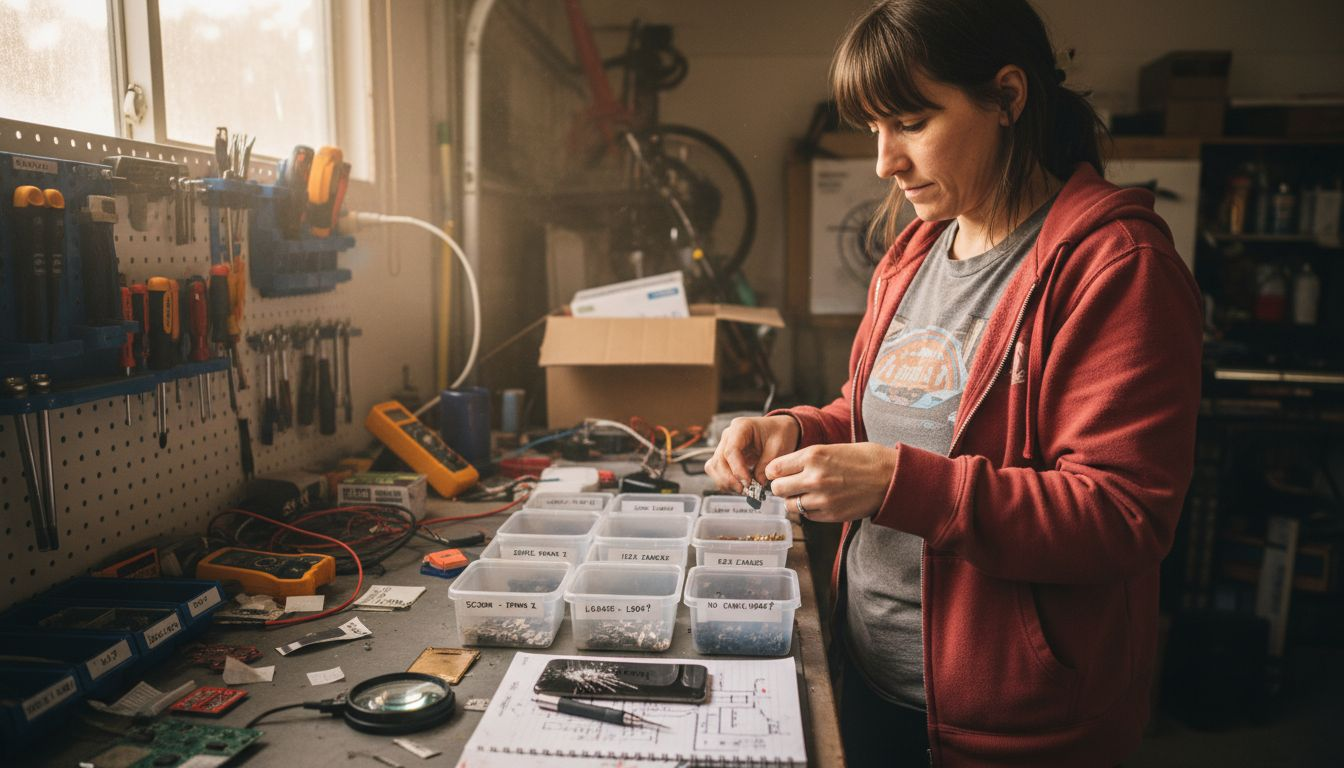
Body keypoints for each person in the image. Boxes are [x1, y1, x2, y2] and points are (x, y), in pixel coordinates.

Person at [705, 0, 1203, 765]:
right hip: (868, 673)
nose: (883, 162)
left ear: (1007, 97)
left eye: (909, 122)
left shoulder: (1117, 266)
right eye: (873, 128)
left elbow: (1122, 515)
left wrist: (906, 486)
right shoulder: (917, 249)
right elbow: (886, 417)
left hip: (1011, 721)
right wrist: (801, 428)